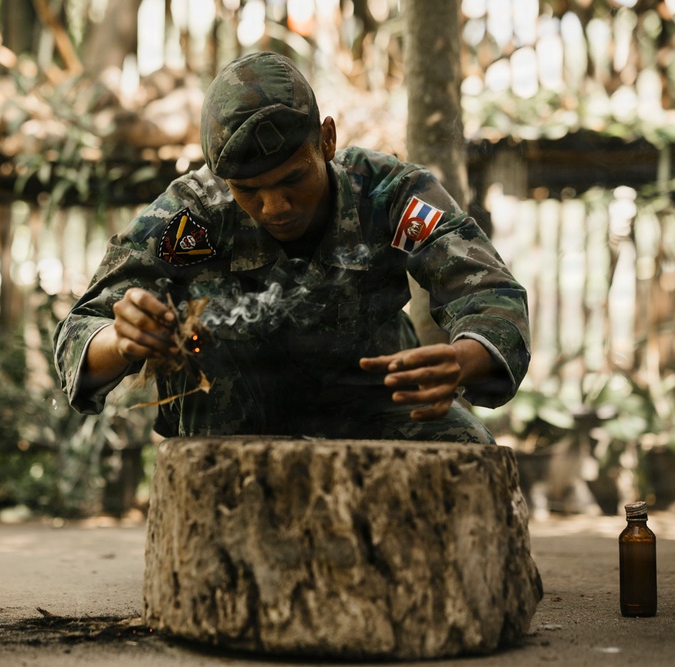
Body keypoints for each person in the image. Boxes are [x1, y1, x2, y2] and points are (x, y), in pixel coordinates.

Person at [53, 51, 530, 442]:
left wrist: (462, 359)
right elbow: (81, 329)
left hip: (371, 398)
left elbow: (490, 294)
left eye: (293, 179)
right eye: (248, 191)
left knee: (467, 452)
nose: (275, 205)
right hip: (229, 417)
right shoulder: (191, 218)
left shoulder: (387, 195)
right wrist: (122, 339)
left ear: (326, 139)